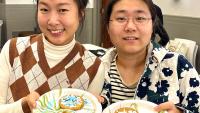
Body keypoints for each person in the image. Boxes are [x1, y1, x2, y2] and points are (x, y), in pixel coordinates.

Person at [0, 0, 105, 112]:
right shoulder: (13, 49)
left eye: (63, 10)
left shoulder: (94, 67)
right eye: (44, 9)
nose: (52, 21)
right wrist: (23, 105)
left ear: (80, 13)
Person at [98, 0, 200, 113]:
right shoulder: (95, 67)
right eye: (121, 18)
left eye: (140, 18)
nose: (130, 27)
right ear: (108, 27)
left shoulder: (179, 66)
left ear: (152, 26)